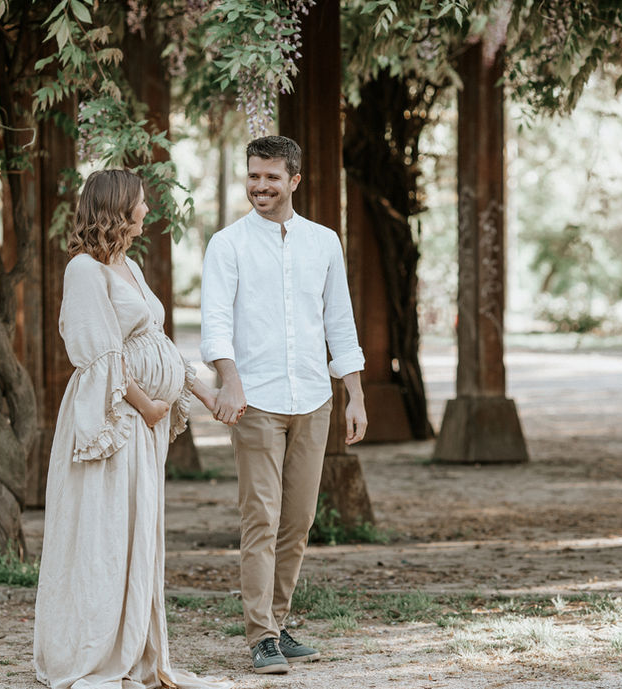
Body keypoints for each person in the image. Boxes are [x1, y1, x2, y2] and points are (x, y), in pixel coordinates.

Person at [33, 169, 232, 689]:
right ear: (119, 208)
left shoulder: (129, 266)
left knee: (135, 533)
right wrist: (146, 405)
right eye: (142, 202)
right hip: (112, 423)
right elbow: (97, 349)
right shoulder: (84, 270)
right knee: (103, 532)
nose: (147, 210)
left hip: (142, 426)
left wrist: (201, 392)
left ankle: (136, 648)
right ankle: (91, 651)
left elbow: (156, 343)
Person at [200, 135, 368, 675]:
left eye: (271, 177)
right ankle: (261, 636)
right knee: (261, 517)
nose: (260, 187)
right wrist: (228, 381)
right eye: (253, 176)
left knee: (298, 520)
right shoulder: (227, 245)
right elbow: (216, 324)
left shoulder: (324, 242)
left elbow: (339, 322)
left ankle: (278, 620)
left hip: (314, 398)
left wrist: (355, 395)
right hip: (256, 401)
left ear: (295, 180)